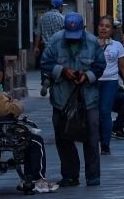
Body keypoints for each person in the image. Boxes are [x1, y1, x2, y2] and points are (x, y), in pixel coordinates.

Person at [0, 56, 56, 192]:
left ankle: (28, 177)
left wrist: (5, 98)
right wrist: (18, 104)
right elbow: (5, 111)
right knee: (36, 142)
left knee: (31, 140)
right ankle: (37, 179)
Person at [41, 12, 106, 187]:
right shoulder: (55, 41)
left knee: (91, 136)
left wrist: (88, 75)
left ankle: (92, 175)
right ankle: (70, 174)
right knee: (62, 135)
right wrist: (61, 70)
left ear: (83, 29)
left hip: (88, 98)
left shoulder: (93, 42)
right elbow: (45, 62)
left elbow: (100, 66)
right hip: (62, 98)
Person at [96, 16, 124, 155]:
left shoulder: (117, 46)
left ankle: (105, 144)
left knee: (105, 112)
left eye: (107, 26)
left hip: (110, 82)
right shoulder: (91, 43)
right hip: (93, 82)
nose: (104, 28)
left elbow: (123, 66)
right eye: (101, 25)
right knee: (94, 113)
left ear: (112, 30)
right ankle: (96, 137)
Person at [33, 0, 66, 97]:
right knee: (58, 65)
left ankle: (45, 80)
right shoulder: (62, 18)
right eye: (62, 6)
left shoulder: (43, 17)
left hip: (46, 47)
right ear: (59, 7)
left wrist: (36, 47)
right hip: (59, 47)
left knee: (45, 65)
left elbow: (38, 33)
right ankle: (56, 81)